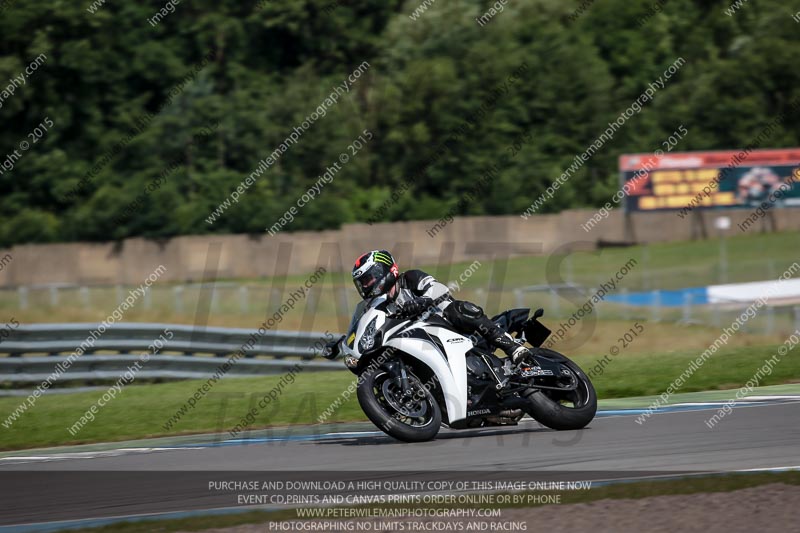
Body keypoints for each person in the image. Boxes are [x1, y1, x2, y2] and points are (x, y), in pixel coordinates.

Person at [322, 249, 533, 363]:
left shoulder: (410, 278)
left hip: (448, 326)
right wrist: (341, 344)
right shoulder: (377, 305)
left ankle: (512, 347)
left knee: (458, 309)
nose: (366, 285)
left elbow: (439, 290)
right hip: (421, 341)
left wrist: (422, 301)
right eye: (362, 282)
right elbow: (366, 327)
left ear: (384, 272)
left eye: (368, 279)